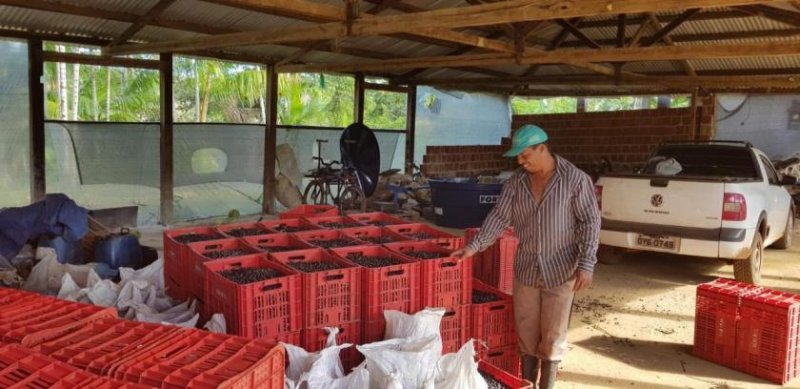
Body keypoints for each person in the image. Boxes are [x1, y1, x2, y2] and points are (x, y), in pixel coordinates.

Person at [452, 124, 600, 389]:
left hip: (562, 268)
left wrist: (587, 263)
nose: (520, 161)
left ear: (541, 148)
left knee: (553, 334)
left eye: (524, 155)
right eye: (518, 157)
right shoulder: (516, 183)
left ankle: (548, 385)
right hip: (527, 268)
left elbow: (590, 221)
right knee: (527, 331)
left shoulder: (575, 180)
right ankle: (527, 383)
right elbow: (499, 217)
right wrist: (474, 246)